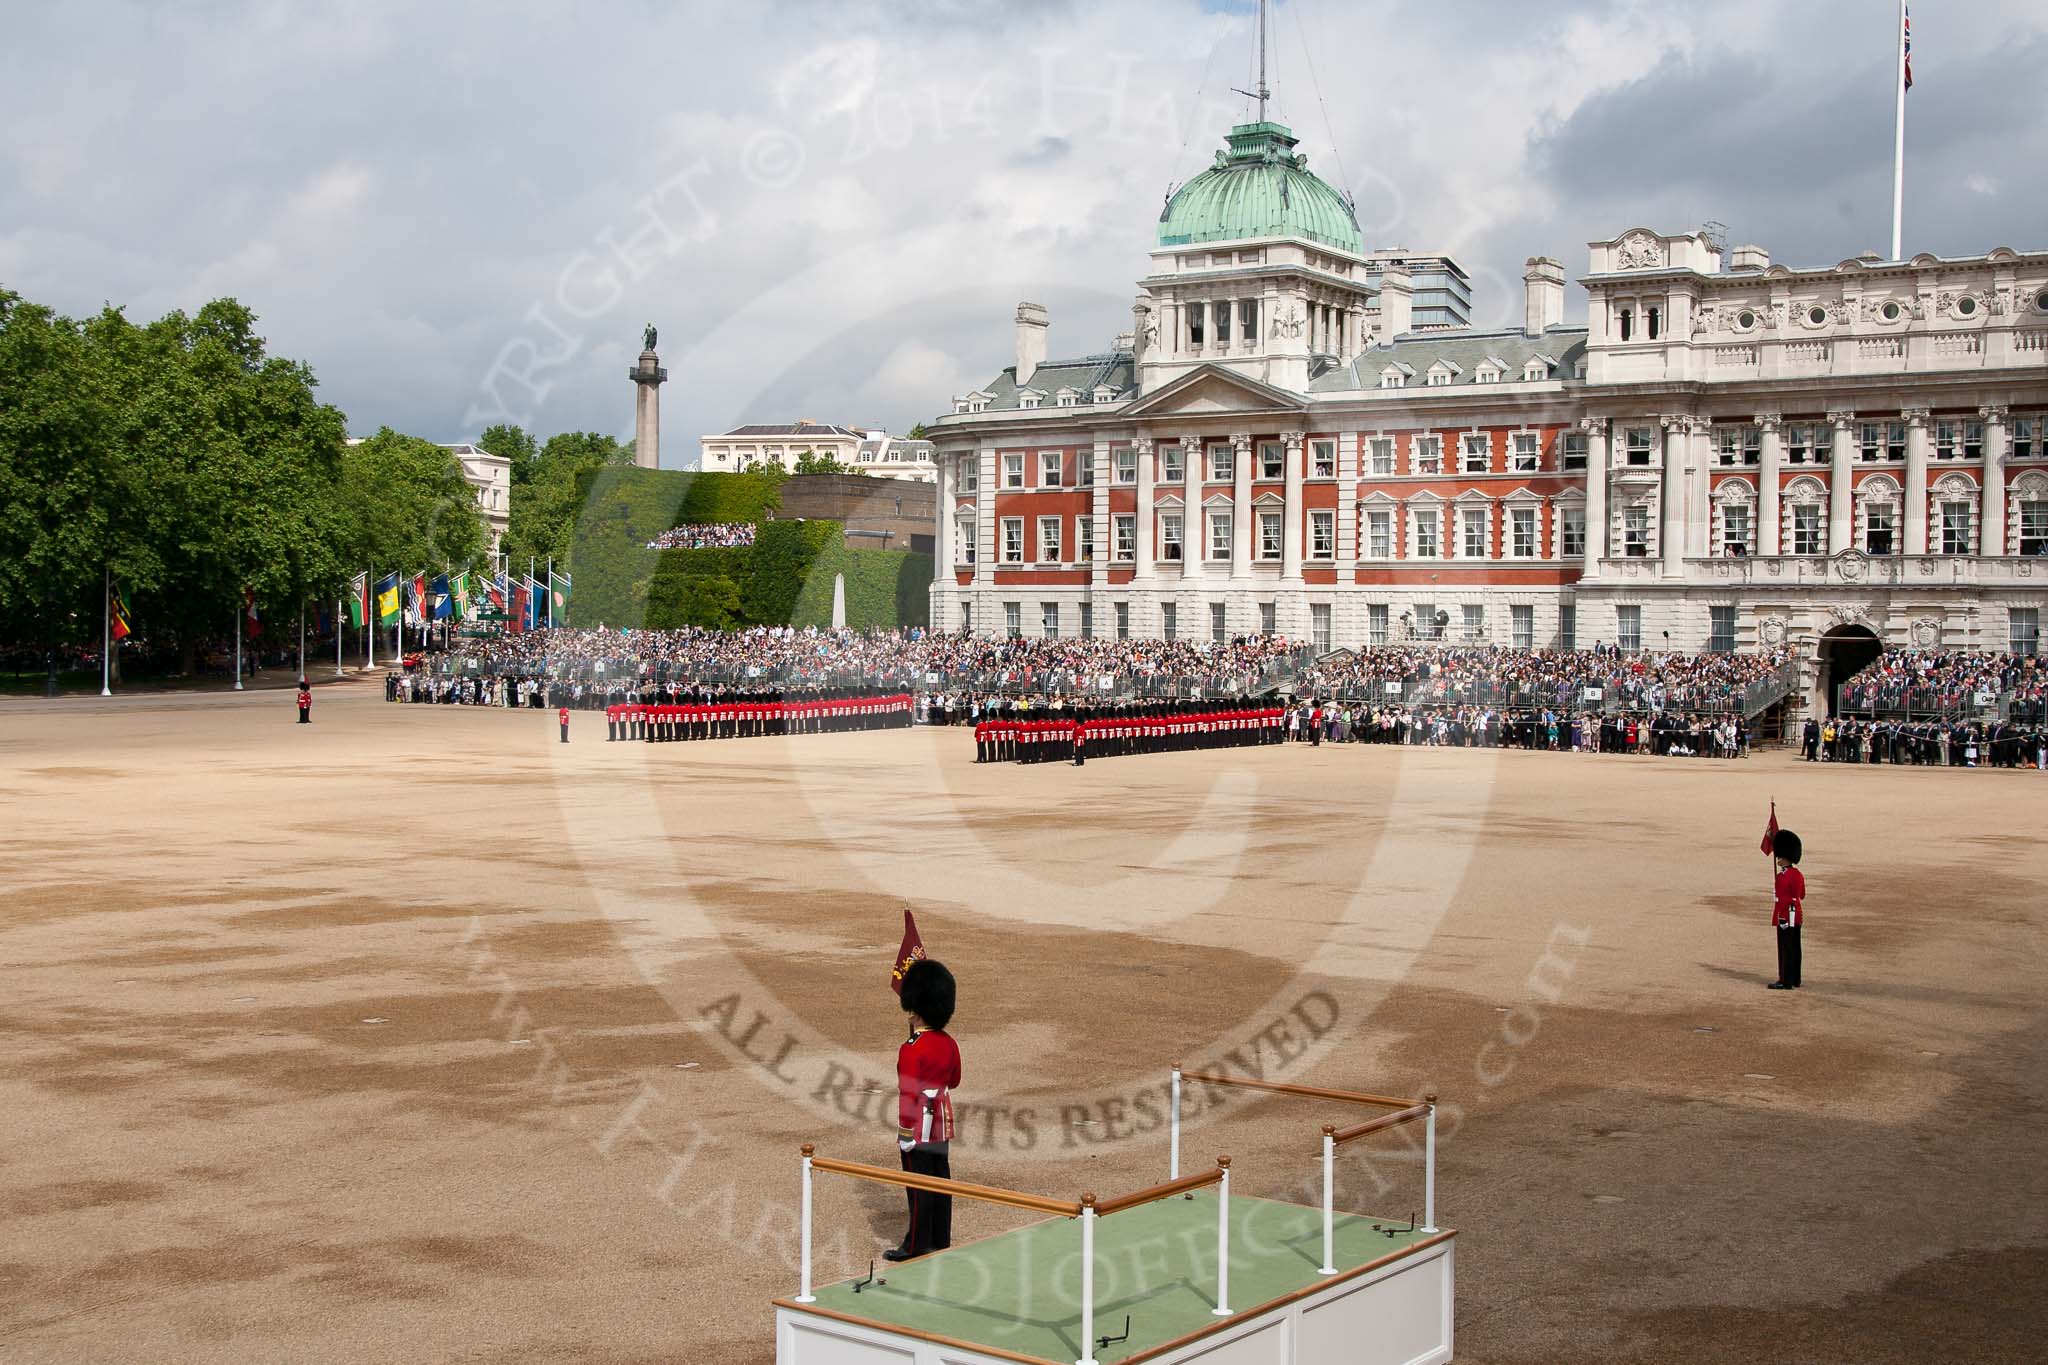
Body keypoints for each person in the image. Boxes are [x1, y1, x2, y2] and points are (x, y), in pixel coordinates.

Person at [888, 958, 960, 1262]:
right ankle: (940, 1237)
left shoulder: (912, 1048)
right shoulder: (949, 1042)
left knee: (917, 1185)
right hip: (941, 1119)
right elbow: (954, 1081)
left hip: (918, 1122)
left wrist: (906, 1132)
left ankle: (916, 1243)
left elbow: (908, 1094)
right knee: (940, 1180)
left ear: (915, 1011)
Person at [1769, 829, 1805, 990]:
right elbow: (1801, 895)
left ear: (1785, 858)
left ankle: (1785, 980)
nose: (1778, 860)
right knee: (1795, 947)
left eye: (1780, 857)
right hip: (1796, 914)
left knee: (1785, 947)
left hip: (1785, 914)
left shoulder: (1783, 877)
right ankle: (1795, 978)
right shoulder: (1798, 874)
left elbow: (1783, 898)